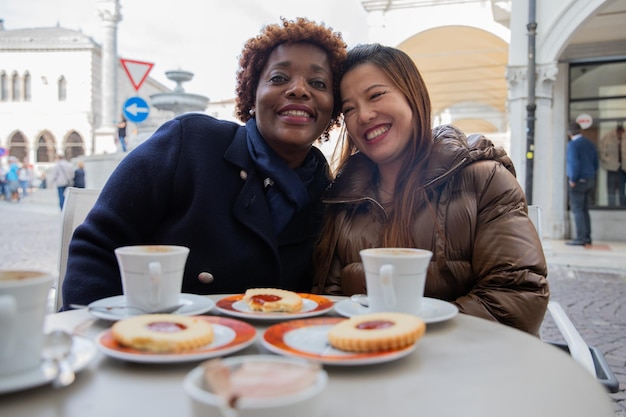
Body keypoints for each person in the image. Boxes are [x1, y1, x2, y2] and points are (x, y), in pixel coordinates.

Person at [61, 17, 347, 310]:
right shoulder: (191, 142)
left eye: (317, 83)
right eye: (278, 78)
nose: (299, 89)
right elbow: (98, 246)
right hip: (164, 342)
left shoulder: (327, 193)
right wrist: (97, 334)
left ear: (332, 107)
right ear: (252, 94)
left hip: (269, 350)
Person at [312, 44, 549, 335]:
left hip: (466, 367)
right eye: (349, 108)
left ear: (413, 95)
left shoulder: (482, 178)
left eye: (376, 95)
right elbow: (332, 299)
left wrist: (406, 335)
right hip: (371, 362)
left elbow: (516, 299)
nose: (364, 115)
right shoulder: (343, 200)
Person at [566, 121, 598, 245]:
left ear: (569, 133)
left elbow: (574, 163)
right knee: (585, 209)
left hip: (578, 181)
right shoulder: (590, 143)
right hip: (590, 180)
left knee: (577, 209)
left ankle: (580, 238)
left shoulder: (573, 145)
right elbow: (596, 163)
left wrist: (573, 179)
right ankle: (587, 237)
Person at [598, 123, 625, 206]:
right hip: (611, 167)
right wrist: (608, 161)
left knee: (622, 189)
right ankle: (611, 206)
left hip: (624, 168)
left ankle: (623, 207)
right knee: (611, 189)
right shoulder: (608, 137)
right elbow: (601, 151)